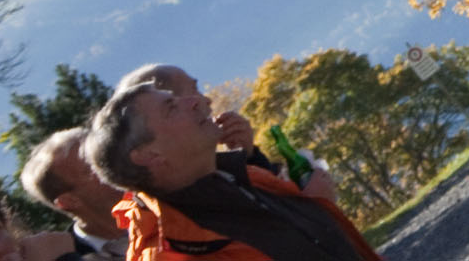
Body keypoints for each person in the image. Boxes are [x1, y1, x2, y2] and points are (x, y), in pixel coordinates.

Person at [81, 88, 377, 261]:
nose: (197, 100)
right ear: (150, 156)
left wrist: (315, 209)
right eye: (171, 107)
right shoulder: (172, 254)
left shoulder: (246, 177)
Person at [111, 66, 332, 202]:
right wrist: (319, 206)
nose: (205, 100)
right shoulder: (193, 216)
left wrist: (249, 156)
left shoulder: (222, 175)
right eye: (193, 92)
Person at [17, 129, 122, 256]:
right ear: (69, 201)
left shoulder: (150, 201)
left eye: (106, 154)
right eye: (92, 167)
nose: (111, 165)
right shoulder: (70, 255)